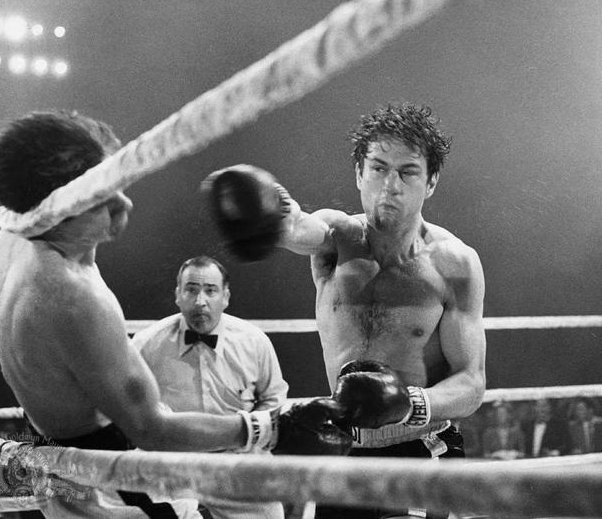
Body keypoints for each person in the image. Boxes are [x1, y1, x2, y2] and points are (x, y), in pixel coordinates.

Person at [0, 110, 353, 519]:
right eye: (105, 192)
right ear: (59, 205)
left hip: (51, 454)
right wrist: (273, 427)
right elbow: (151, 429)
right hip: (110, 474)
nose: (124, 201)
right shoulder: (71, 297)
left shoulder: (8, 237)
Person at [205, 103, 487, 519]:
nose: (390, 185)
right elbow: (296, 227)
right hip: (342, 448)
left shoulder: (454, 264)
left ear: (430, 182)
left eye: (407, 172)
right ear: (359, 174)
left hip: (420, 449)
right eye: (378, 168)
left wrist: (410, 403)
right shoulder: (337, 238)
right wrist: (268, 212)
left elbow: (471, 383)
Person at [132, 255, 288, 519]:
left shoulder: (254, 342)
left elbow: (274, 400)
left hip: (239, 465)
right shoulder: (147, 344)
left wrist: (249, 439)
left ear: (225, 297)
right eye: (191, 290)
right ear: (178, 295)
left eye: (210, 290)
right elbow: (132, 408)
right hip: (172, 469)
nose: (200, 301)